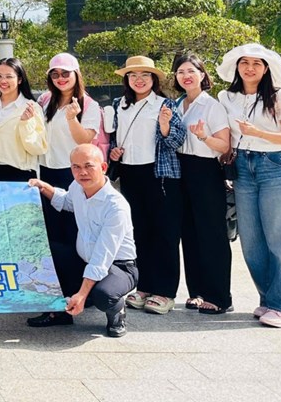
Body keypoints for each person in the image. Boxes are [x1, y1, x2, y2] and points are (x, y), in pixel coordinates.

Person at [216, 43, 281, 328]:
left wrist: (259, 133)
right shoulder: (226, 97)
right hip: (243, 167)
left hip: (274, 164)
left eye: (257, 63)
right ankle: (268, 299)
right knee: (252, 240)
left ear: (266, 69)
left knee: (280, 237)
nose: (250, 68)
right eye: (244, 63)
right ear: (237, 67)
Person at [28, 144, 138, 338]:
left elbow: (102, 257)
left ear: (103, 167)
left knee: (104, 296)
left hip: (118, 267)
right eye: (76, 167)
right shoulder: (77, 187)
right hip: (84, 260)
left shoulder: (116, 206)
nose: (82, 172)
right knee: (48, 253)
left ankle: (117, 310)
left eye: (88, 166)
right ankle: (60, 313)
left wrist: (82, 294)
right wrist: (43, 186)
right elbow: (66, 201)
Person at [27, 53, 102, 327]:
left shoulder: (88, 105)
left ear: (76, 75)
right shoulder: (45, 101)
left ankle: (74, 299)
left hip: (73, 175)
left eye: (65, 73)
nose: (60, 78)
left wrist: (72, 118)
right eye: (55, 74)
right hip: (46, 173)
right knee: (52, 240)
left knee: (74, 239)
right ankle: (58, 299)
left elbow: (86, 141)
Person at [106, 56, 185, 316]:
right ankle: (144, 286)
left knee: (164, 233)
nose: (138, 80)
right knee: (139, 232)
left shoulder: (165, 104)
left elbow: (177, 140)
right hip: (130, 173)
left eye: (144, 75)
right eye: (133, 75)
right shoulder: (119, 105)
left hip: (159, 175)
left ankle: (164, 291)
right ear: (126, 79)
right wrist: (114, 152)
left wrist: (164, 126)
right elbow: (113, 138)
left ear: (154, 79)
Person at [172, 53, 233, 315]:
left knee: (211, 234)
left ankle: (219, 296)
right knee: (190, 234)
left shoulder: (211, 106)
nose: (186, 76)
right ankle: (197, 292)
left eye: (191, 71)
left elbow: (224, 146)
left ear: (202, 75)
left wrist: (204, 137)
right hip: (181, 170)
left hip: (205, 171)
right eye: (180, 72)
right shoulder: (177, 104)